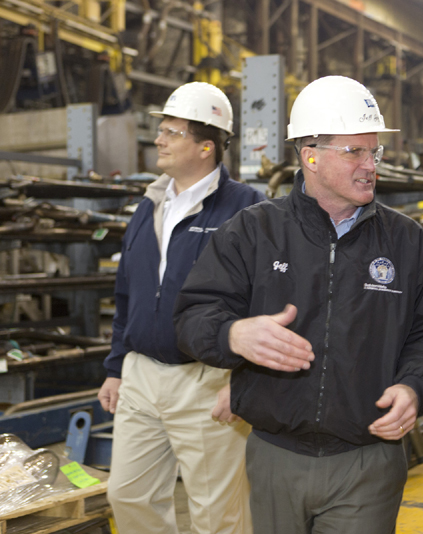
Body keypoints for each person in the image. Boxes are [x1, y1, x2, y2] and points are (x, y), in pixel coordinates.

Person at [173, 75, 423, 534]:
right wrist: (233, 335)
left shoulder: (406, 241)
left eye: (375, 152)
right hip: (274, 457)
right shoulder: (253, 232)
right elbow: (192, 315)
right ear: (310, 154)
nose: (371, 165)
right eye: (355, 152)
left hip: (368, 461)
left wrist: (415, 387)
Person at [98, 81, 265, 534]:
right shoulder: (149, 204)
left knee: (216, 513)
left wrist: (244, 381)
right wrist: (116, 367)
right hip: (141, 375)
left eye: (172, 132)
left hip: (207, 380)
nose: (159, 139)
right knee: (128, 494)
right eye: (162, 130)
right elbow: (128, 291)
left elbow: (264, 302)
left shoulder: (247, 210)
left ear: (206, 146)